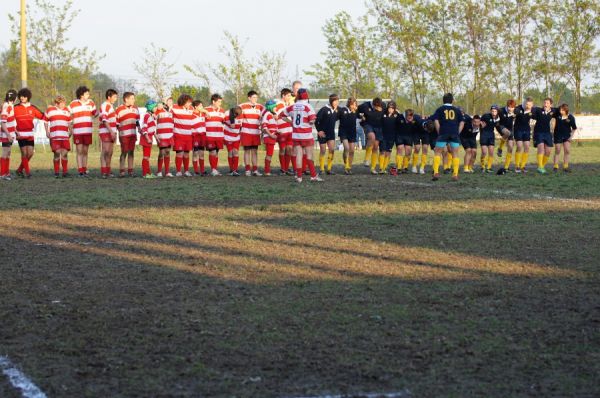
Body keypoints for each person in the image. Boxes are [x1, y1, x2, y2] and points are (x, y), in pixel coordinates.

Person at [280, 88, 322, 183]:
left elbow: (282, 115)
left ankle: (299, 177)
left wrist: (291, 122)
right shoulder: (308, 106)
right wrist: (309, 123)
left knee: (298, 155)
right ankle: (313, 176)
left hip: (296, 135)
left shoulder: (293, 106)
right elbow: (312, 120)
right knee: (309, 155)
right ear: (306, 96)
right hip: (306, 135)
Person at [432, 93, 464, 181]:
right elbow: (462, 122)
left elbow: (436, 121)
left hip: (443, 132)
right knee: (455, 153)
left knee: (437, 151)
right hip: (454, 133)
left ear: (443, 100)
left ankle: (435, 172)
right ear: (452, 100)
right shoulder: (457, 110)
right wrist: (458, 132)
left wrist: (439, 131)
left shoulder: (440, 109)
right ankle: (455, 174)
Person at [13, 88, 44, 178]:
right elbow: (8, 118)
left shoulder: (32, 108)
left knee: (30, 153)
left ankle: (19, 170)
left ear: (28, 97)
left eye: (24, 96)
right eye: (21, 96)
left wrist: (51, 112)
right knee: (24, 153)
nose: (22, 98)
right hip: (20, 134)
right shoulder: (15, 108)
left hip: (30, 134)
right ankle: (27, 173)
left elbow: (42, 116)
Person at [68, 86, 98, 176]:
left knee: (85, 151)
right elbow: (66, 113)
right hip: (77, 131)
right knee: (79, 150)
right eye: (87, 93)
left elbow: (95, 114)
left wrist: (101, 113)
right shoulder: (73, 104)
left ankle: (85, 169)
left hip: (88, 131)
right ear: (81, 94)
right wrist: (70, 126)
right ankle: (80, 170)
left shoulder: (91, 103)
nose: (88, 95)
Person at [44, 95, 71, 178]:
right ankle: (56, 171)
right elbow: (45, 121)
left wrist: (71, 130)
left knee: (65, 153)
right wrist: (47, 131)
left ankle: (65, 171)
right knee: (57, 153)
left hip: (64, 136)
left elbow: (69, 122)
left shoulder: (67, 110)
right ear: (56, 103)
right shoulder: (50, 110)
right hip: (55, 136)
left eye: (64, 103)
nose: (63, 105)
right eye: (62, 103)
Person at [172, 95, 200, 177]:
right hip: (179, 135)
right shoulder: (175, 107)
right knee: (179, 154)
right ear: (183, 101)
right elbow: (166, 108)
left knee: (187, 154)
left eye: (190, 102)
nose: (190, 103)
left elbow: (198, 110)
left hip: (188, 135)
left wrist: (206, 112)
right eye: (188, 102)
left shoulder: (191, 109)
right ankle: (178, 171)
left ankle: (186, 171)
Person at [115, 92, 140, 177]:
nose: (134, 100)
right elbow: (116, 123)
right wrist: (119, 133)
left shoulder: (136, 108)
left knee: (131, 152)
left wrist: (139, 128)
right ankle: (122, 171)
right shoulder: (119, 109)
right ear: (126, 99)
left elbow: (137, 121)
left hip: (133, 134)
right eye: (132, 98)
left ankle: (130, 171)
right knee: (124, 152)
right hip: (124, 135)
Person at [240, 91, 265, 176]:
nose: (255, 99)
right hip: (246, 132)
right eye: (253, 97)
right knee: (247, 151)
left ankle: (255, 170)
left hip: (256, 133)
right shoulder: (242, 106)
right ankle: (247, 170)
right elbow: (235, 114)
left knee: (255, 151)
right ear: (249, 98)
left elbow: (265, 116)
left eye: (256, 97)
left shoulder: (260, 107)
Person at [531, 98, 558, 174]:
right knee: (541, 149)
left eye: (547, 103)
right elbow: (531, 113)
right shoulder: (538, 110)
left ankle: (541, 166)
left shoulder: (553, 111)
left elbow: (561, 110)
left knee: (548, 151)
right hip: (538, 132)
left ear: (550, 104)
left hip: (547, 133)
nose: (545, 104)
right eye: (544, 103)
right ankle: (540, 167)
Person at [315, 94, 339, 175]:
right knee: (323, 150)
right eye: (335, 101)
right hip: (323, 134)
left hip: (331, 133)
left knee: (332, 150)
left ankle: (329, 169)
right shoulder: (324, 109)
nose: (337, 102)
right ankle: (321, 169)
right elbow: (316, 120)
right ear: (331, 101)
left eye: (337, 101)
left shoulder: (337, 110)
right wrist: (319, 131)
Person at [358, 98, 384, 171]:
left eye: (379, 106)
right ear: (373, 104)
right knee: (372, 137)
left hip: (378, 127)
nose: (378, 108)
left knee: (375, 147)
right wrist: (361, 116)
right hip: (367, 124)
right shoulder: (365, 105)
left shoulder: (383, 105)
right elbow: (356, 110)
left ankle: (373, 168)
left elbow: (389, 111)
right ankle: (366, 159)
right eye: (376, 107)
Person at [274, 88, 294, 175]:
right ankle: (283, 168)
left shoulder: (289, 104)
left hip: (290, 130)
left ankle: (286, 168)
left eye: (290, 95)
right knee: (283, 149)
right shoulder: (279, 104)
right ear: (283, 96)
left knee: (289, 149)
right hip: (282, 131)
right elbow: (280, 116)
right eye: (288, 95)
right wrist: (291, 122)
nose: (290, 97)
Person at [205, 94, 226, 176]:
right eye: (219, 101)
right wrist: (205, 111)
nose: (220, 103)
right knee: (212, 152)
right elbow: (198, 110)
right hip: (210, 135)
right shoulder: (206, 109)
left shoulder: (222, 111)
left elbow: (224, 122)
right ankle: (213, 170)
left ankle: (215, 169)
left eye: (221, 101)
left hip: (219, 135)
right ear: (213, 101)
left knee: (216, 153)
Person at [99, 89, 118, 178]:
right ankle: (103, 172)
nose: (116, 98)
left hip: (111, 132)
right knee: (105, 151)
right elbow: (104, 119)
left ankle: (108, 171)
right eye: (114, 97)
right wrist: (111, 131)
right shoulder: (105, 105)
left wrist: (114, 131)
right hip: (105, 132)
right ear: (109, 97)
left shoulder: (111, 106)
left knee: (110, 152)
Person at [552, 103, 577, 172]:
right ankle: (555, 166)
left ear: (566, 110)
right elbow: (552, 111)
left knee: (567, 150)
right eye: (560, 110)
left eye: (562, 110)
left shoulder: (571, 117)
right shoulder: (557, 115)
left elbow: (574, 128)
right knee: (557, 150)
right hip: (557, 135)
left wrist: (571, 137)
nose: (561, 111)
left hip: (567, 136)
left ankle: (565, 167)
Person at [338, 97, 359, 175]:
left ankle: (349, 167)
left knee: (352, 151)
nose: (354, 106)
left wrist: (363, 117)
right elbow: (336, 116)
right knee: (346, 148)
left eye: (355, 105)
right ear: (349, 104)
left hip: (352, 132)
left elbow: (362, 116)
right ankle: (346, 165)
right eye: (353, 104)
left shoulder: (356, 112)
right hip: (343, 132)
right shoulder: (343, 110)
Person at [0, 89, 17, 180]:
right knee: (5, 153)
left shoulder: (10, 105)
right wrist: (8, 135)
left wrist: (15, 130)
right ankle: (2, 174)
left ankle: (6, 173)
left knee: (8, 153)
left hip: (10, 133)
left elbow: (11, 120)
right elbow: (3, 122)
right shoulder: (7, 106)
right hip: (6, 134)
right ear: (15, 98)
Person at [479, 105, 502, 173]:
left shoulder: (498, 118)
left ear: (497, 112)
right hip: (484, 135)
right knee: (484, 152)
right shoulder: (486, 116)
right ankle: (482, 166)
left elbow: (497, 126)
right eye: (492, 111)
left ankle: (489, 167)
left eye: (495, 111)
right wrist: (481, 125)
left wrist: (502, 134)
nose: (493, 112)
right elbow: (480, 122)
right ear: (490, 111)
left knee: (491, 152)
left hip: (491, 135)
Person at [155, 102, 174, 177]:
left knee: (167, 152)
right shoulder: (159, 110)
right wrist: (158, 107)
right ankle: (159, 171)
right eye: (168, 101)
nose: (169, 102)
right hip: (162, 135)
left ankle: (167, 172)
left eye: (170, 101)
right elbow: (154, 115)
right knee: (161, 152)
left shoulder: (172, 111)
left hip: (169, 134)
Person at [498, 99, 517, 173]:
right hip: (502, 126)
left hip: (510, 128)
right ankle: (500, 148)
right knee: (507, 133)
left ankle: (506, 167)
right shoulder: (501, 110)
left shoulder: (515, 111)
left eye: (512, 107)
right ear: (507, 106)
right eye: (509, 107)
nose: (511, 109)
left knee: (511, 147)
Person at [380, 101, 400, 174]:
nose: (390, 109)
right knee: (382, 151)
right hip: (383, 136)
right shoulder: (383, 114)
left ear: (394, 109)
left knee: (388, 152)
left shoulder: (397, 115)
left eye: (392, 108)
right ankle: (381, 168)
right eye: (389, 108)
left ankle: (384, 168)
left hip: (392, 137)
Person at [140, 100, 158, 178]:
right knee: (146, 157)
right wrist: (147, 138)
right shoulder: (147, 116)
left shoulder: (150, 116)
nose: (156, 108)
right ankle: (145, 174)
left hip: (149, 137)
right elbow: (144, 128)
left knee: (147, 156)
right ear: (151, 107)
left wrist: (156, 138)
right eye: (155, 106)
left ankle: (149, 173)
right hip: (146, 138)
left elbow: (152, 129)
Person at [261, 100, 279, 176]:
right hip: (269, 138)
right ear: (271, 107)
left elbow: (272, 127)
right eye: (275, 107)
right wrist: (271, 135)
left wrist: (278, 132)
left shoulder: (271, 115)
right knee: (269, 154)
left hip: (271, 137)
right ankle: (267, 171)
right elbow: (264, 127)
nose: (276, 108)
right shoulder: (267, 114)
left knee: (270, 154)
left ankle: (267, 170)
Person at [395, 108, 416, 174]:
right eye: (409, 117)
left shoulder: (414, 119)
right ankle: (398, 167)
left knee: (408, 152)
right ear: (405, 115)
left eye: (412, 116)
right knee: (400, 149)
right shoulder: (399, 118)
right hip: (399, 135)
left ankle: (405, 167)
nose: (411, 118)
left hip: (409, 136)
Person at [224, 106, 242, 176]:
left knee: (236, 152)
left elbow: (241, 126)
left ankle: (235, 169)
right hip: (228, 137)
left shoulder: (241, 116)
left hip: (236, 137)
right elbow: (223, 122)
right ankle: (231, 169)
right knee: (230, 152)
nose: (237, 116)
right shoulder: (226, 114)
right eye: (236, 114)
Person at [191, 100, 208, 176]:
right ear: (195, 107)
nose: (202, 107)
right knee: (195, 153)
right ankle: (196, 171)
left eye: (202, 105)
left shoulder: (203, 114)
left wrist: (206, 111)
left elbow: (209, 116)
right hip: (195, 136)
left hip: (202, 136)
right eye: (200, 106)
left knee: (202, 153)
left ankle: (202, 170)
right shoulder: (191, 114)